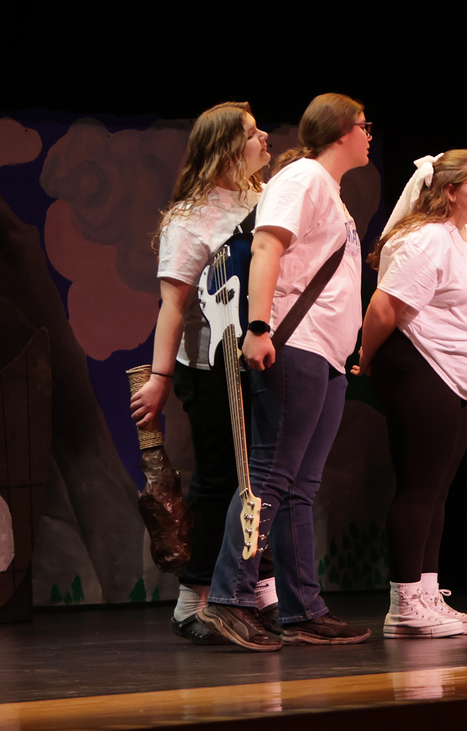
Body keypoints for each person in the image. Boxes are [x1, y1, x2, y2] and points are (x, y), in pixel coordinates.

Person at [197, 93, 372, 651]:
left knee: (299, 488)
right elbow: (269, 246)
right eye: (365, 126)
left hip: (326, 354)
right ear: (342, 130)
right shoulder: (303, 178)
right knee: (271, 477)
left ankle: (301, 609)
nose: (370, 135)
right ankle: (229, 597)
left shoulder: (330, 192)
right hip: (292, 345)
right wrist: (257, 326)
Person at [130, 101, 278, 644]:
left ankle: (255, 595)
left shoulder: (267, 201)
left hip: (260, 358)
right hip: (210, 363)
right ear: (224, 148)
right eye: (252, 132)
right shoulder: (191, 218)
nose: (265, 137)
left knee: (262, 482)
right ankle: (192, 601)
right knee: (220, 478)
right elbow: (173, 305)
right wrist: (160, 378)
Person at [355, 150, 467, 638]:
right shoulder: (426, 239)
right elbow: (383, 306)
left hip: (457, 370)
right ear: (451, 191)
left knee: (437, 490)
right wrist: (365, 359)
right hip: (420, 363)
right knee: (419, 487)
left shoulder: (465, 236)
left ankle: (427, 594)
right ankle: (405, 602)